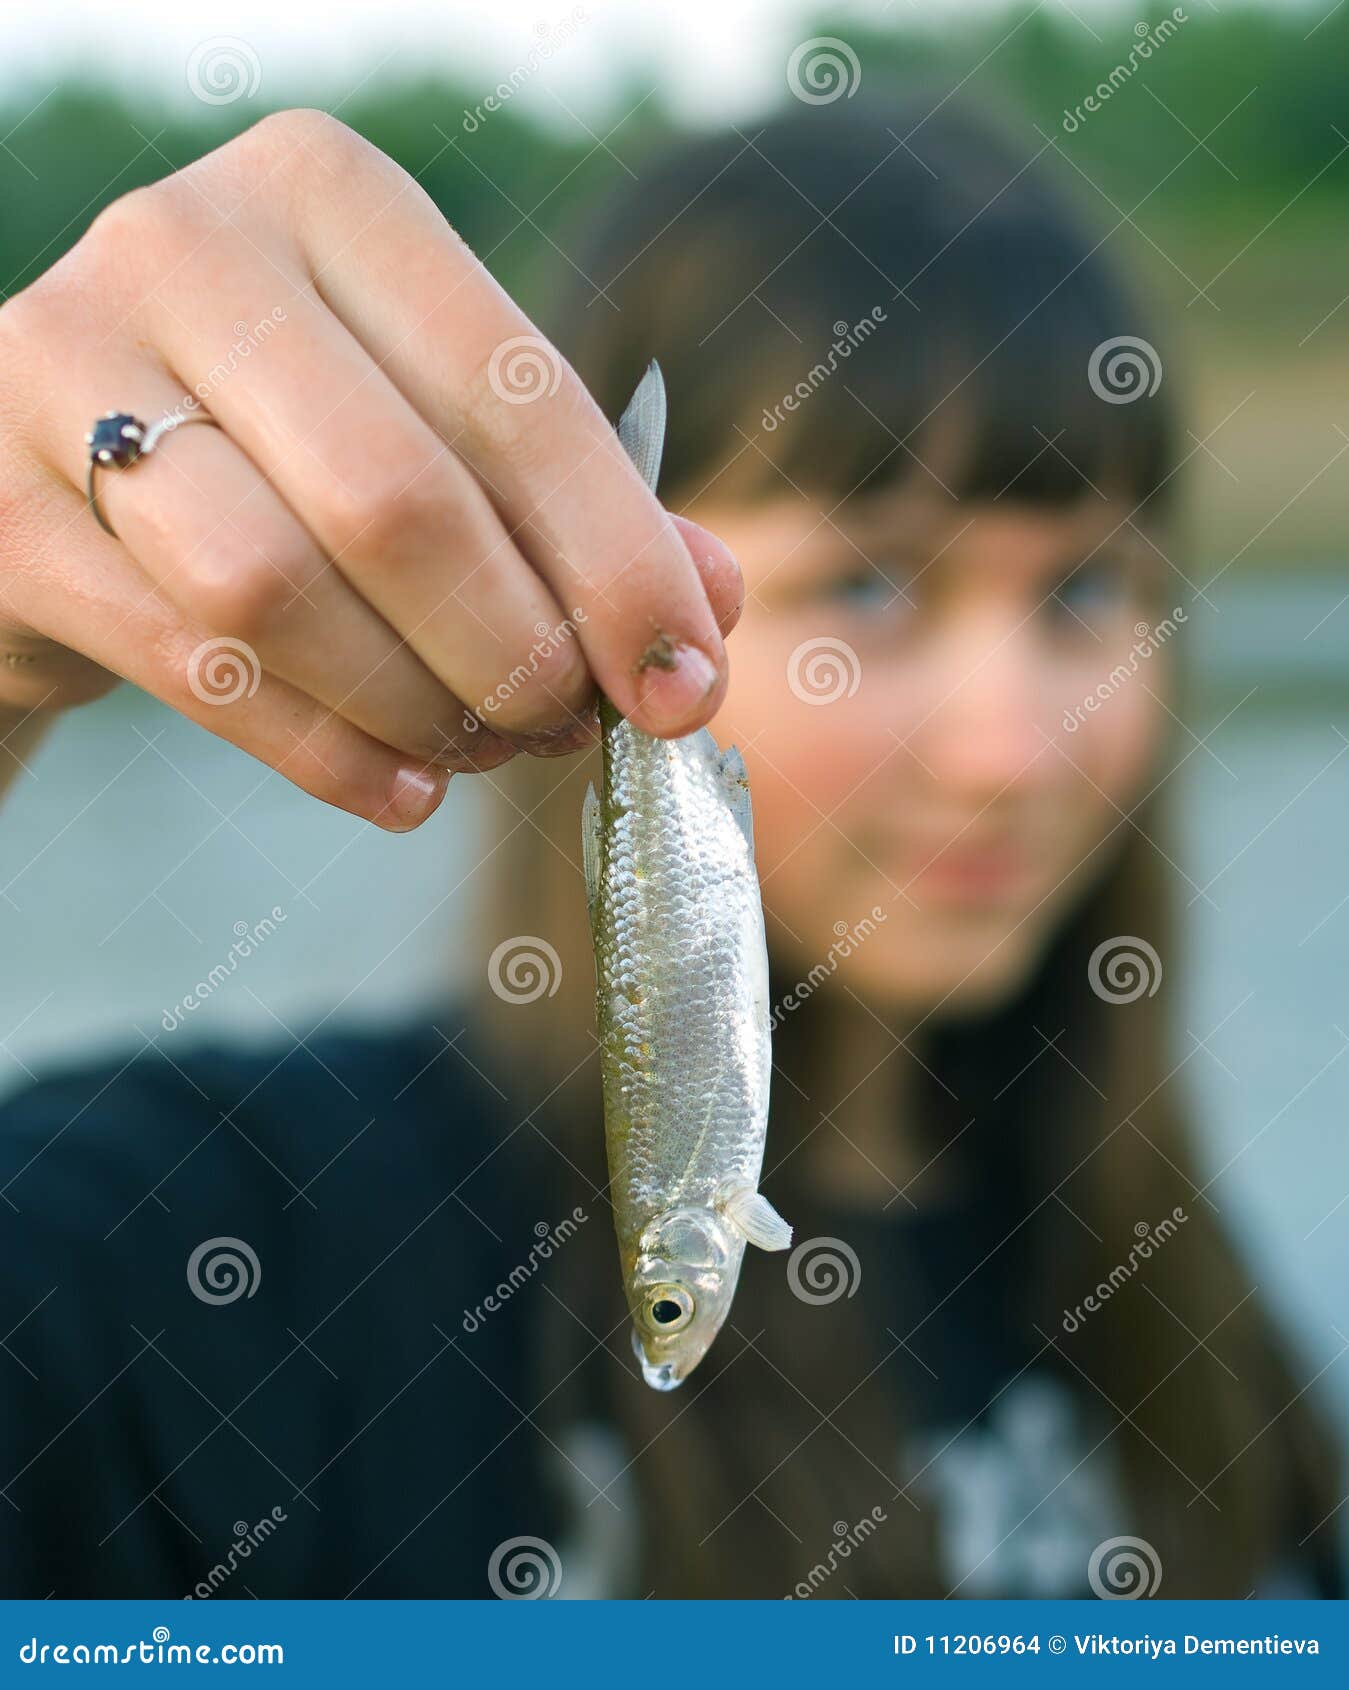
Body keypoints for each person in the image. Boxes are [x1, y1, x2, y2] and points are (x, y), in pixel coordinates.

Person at [0, 95, 1339, 1601]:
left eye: (1088, 594)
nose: (1007, 747)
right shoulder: (206, 1250)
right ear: (586, 571)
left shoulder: (1190, 1299)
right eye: (873, 586)